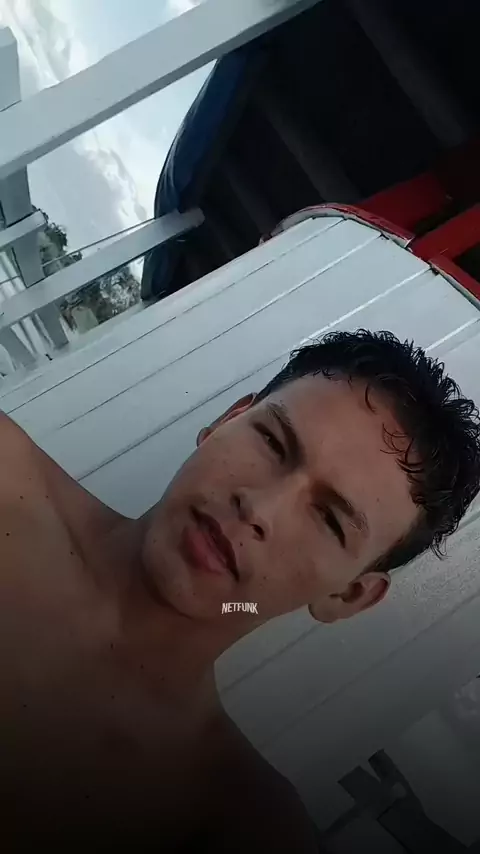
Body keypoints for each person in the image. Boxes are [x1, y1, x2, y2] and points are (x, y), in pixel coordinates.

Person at [1, 329, 479, 851]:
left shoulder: (236, 823)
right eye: (272, 442)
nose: (259, 509)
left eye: (329, 520)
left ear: (349, 595)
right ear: (227, 419)